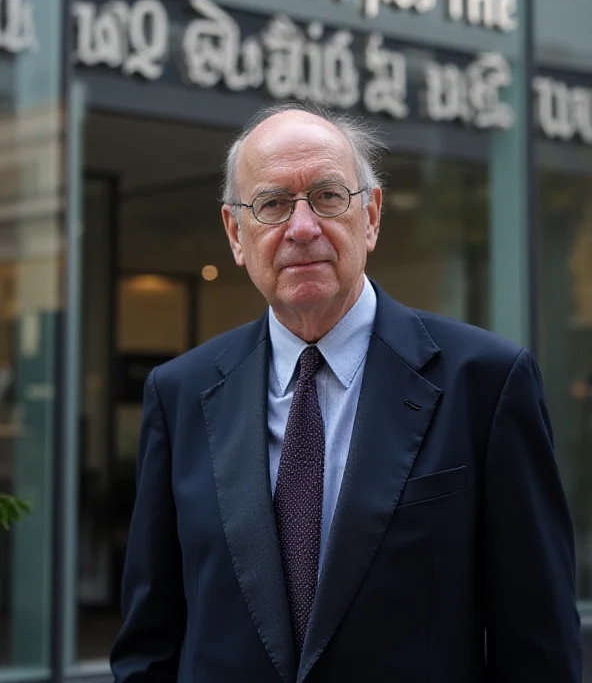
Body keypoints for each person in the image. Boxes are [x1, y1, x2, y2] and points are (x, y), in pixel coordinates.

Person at [110, 103, 582, 682]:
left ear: (372, 216)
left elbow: (538, 645)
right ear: (236, 233)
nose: (302, 228)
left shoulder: (486, 382)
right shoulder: (179, 393)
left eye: (328, 197)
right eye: (273, 204)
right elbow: (150, 642)